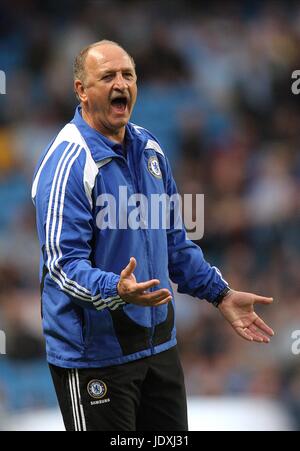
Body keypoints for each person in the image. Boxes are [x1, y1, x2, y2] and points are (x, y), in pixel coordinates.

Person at [32, 40, 274, 431]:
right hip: (96, 358)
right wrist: (115, 288)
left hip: (159, 347)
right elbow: (62, 266)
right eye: (107, 76)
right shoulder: (68, 163)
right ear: (81, 90)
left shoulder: (150, 150)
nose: (120, 83)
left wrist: (221, 294)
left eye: (128, 74)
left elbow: (175, 243)